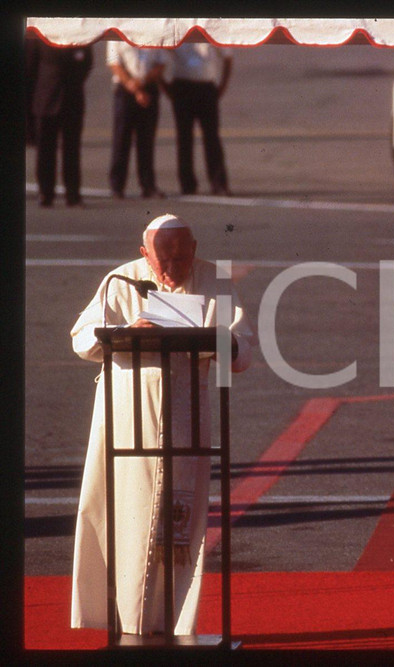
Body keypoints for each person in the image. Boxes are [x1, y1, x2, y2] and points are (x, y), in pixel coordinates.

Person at [70, 214, 255, 636]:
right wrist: (124, 329)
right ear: (144, 254)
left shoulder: (215, 281)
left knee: (178, 520)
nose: (174, 265)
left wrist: (219, 339)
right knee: (125, 513)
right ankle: (125, 621)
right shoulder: (121, 281)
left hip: (186, 412)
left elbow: (242, 349)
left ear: (194, 248)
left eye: (182, 254)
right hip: (126, 414)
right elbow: (81, 338)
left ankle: (173, 623)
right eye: (164, 256)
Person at [25, 39, 93, 207]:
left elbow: (87, 63)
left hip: (72, 99)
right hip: (46, 98)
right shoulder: (40, 37)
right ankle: (45, 193)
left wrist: (74, 80)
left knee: (72, 149)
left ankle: (73, 194)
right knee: (45, 150)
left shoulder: (79, 36)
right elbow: (29, 69)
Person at [163, 43, 233, 196]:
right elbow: (158, 53)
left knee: (212, 137)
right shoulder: (179, 26)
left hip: (206, 86)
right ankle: (187, 185)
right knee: (184, 138)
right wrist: (165, 86)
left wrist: (222, 86)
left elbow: (227, 57)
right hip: (182, 85)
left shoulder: (210, 27)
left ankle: (218, 183)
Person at [106, 42, 167, 199]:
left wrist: (142, 83)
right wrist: (131, 84)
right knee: (121, 138)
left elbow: (161, 63)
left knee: (146, 139)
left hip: (148, 86)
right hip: (125, 90)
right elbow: (114, 63)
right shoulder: (117, 34)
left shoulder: (154, 32)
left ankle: (148, 185)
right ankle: (117, 185)